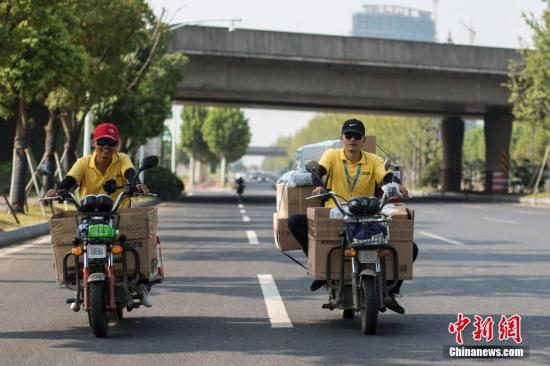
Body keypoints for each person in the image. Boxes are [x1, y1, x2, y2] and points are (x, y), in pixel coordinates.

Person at [287, 118, 418, 315]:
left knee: (411, 248)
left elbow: (386, 176)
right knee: (294, 221)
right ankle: (321, 269)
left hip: (367, 216)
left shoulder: (373, 160)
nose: (352, 139)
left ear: (363, 140)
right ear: (342, 138)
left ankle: (392, 291)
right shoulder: (331, 155)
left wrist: (396, 185)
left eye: (357, 136)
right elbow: (318, 172)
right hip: (335, 214)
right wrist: (319, 184)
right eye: (348, 135)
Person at [46, 122, 153, 306]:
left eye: (111, 142)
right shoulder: (83, 163)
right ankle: (78, 279)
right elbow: (70, 180)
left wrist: (135, 184)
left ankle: (141, 283)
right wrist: (58, 190)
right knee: (78, 243)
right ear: (93, 142)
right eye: (102, 141)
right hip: (87, 216)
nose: (106, 146)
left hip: (118, 214)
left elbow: (129, 173)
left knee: (132, 242)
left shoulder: (122, 158)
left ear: (117, 145)